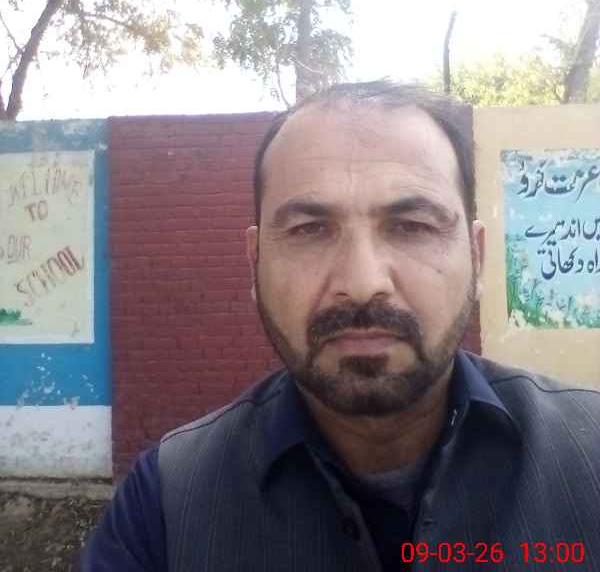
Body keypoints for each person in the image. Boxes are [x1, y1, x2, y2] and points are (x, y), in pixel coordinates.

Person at [80, 80, 600, 571]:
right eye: (310, 230)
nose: (363, 282)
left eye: (412, 227)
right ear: (255, 263)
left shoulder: (590, 456)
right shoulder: (165, 506)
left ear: (478, 257)